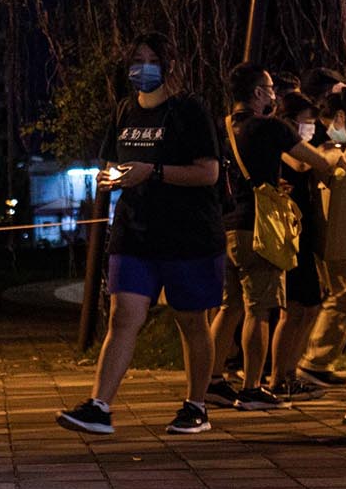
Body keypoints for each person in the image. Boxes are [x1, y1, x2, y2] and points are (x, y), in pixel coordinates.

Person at [56, 31, 222, 437]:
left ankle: (196, 406)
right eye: (136, 58)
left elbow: (209, 172)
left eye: (151, 59)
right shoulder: (124, 111)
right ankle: (100, 406)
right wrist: (108, 178)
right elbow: (113, 162)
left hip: (188, 236)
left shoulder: (189, 111)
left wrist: (156, 172)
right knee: (123, 315)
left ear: (168, 65)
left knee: (191, 321)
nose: (142, 67)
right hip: (134, 233)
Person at [207, 64, 335, 410]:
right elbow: (315, 161)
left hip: (227, 226)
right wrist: (338, 154)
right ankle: (251, 387)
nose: (275, 95)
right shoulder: (271, 127)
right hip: (259, 229)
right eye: (270, 88)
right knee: (259, 310)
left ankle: (212, 381)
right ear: (257, 93)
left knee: (228, 307)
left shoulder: (221, 127)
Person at [265, 90, 341, 399]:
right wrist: (324, 153)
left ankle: (290, 373)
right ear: (289, 121)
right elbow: (301, 165)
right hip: (287, 233)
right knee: (292, 309)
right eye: (305, 122)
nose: (310, 127)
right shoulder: (281, 144)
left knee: (309, 306)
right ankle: (278, 379)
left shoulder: (297, 143)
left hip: (304, 230)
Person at [298, 77, 346, 385]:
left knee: (342, 294)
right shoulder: (342, 152)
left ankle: (317, 361)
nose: (326, 127)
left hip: (336, 233)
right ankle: (315, 361)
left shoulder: (345, 151)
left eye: (327, 120)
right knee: (343, 294)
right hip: (339, 237)